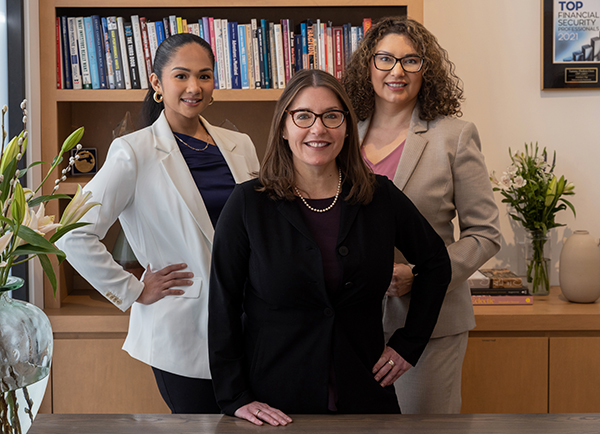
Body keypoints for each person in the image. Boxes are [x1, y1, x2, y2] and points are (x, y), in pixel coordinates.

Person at [208, 69, 451, 426]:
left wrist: (408, 345)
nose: (318, 129)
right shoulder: (248, 203)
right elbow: (222, 302)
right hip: (275, 403)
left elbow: (436, 263)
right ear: (283, 127)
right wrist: (235, 396)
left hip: (366, 396)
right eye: (303, 116)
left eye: (331, 116)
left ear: (348, 127)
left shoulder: (379, 196)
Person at [56, 33, 260, 414]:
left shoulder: (240, 144)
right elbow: (74, 232)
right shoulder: (133, 151)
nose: (194, 87)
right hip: (182, 327)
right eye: (181, 76)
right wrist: (132, 290)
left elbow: (262, 230)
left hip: (250, 324)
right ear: (157, 83)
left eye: (204, 75)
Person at [342, 16, 502, 414]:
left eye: (411, 61)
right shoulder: (341, 134)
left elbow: (484, 233)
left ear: (425, 70)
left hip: (430, 325)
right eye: (385, 59)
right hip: (349, 324)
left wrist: (422, 273)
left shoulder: (454, 135)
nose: (397, 71)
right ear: (368, 66)